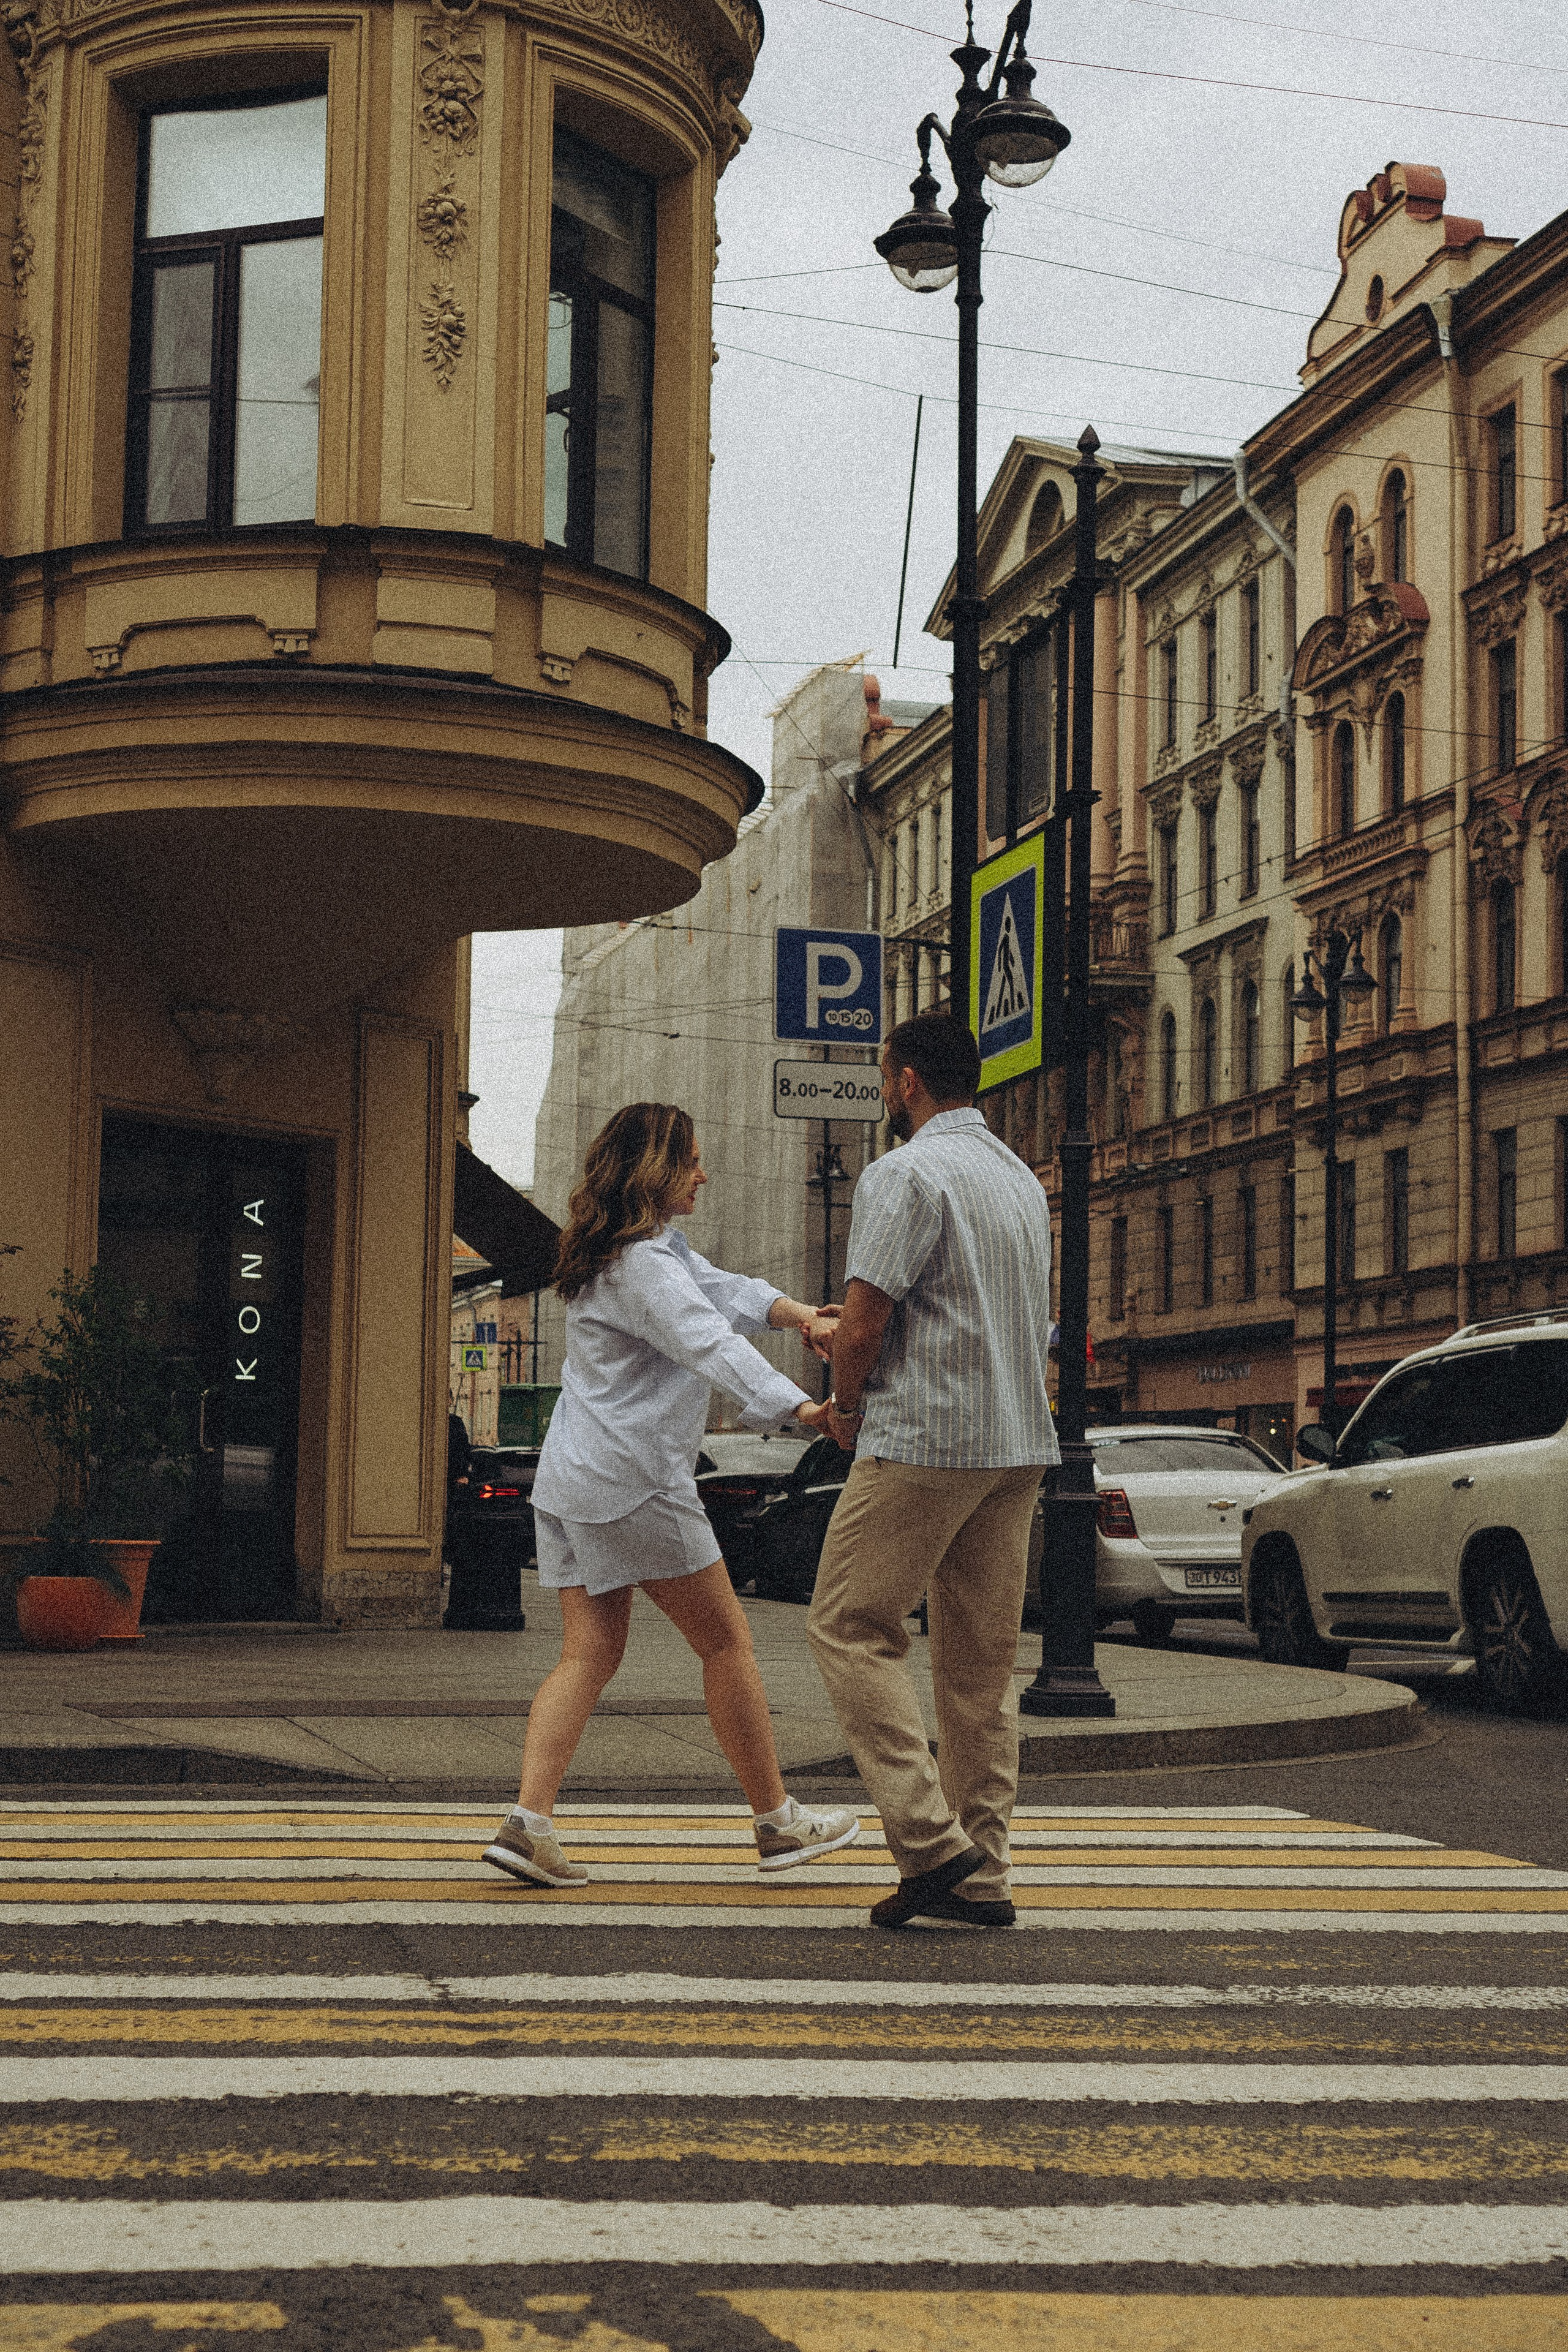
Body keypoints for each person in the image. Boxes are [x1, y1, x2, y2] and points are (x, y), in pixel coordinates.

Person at [482, 1101, 860, 1889]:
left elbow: (721, 1290)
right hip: (633, 1478)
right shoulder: (647, 1266)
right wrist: (802, 1411)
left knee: (588, 1652)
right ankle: (777, 1823)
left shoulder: (621, 1255)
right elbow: (707, 1339)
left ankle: (528, 1824)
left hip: (574, 1477)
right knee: (726, 1644)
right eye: (691, 1159)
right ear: (656, 1168)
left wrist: (795, 1315)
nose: (703, 1172)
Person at [808, 1012, 1055, 1929]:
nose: (882, 1091)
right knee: (980, 1671)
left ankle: (927, 1839)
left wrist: (847, 1403)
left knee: (847, 1625)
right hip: (1017, 1442)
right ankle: (982, 1872)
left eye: (884, 1077)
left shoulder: (904, 1172)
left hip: (926, 1437)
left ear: (907, 1080)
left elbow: (867, 1321)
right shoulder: (1018, 1179)